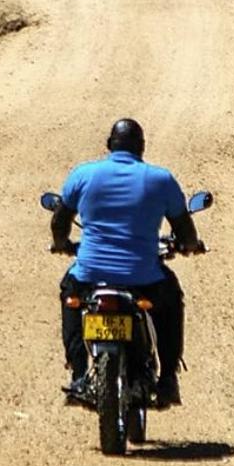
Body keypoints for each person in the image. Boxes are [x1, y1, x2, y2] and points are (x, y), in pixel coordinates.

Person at [49, 119, 203, 409]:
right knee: (171, 299)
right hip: (143, 276)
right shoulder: (161, 180)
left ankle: (79, 375)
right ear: (141, 148)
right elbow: (185, 229)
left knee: (70, 296)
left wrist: (61, 244)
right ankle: (168, 378)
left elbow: (59, 221)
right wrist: (190, 246)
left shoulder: (83, 174)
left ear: (109, 145)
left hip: (90, 274)